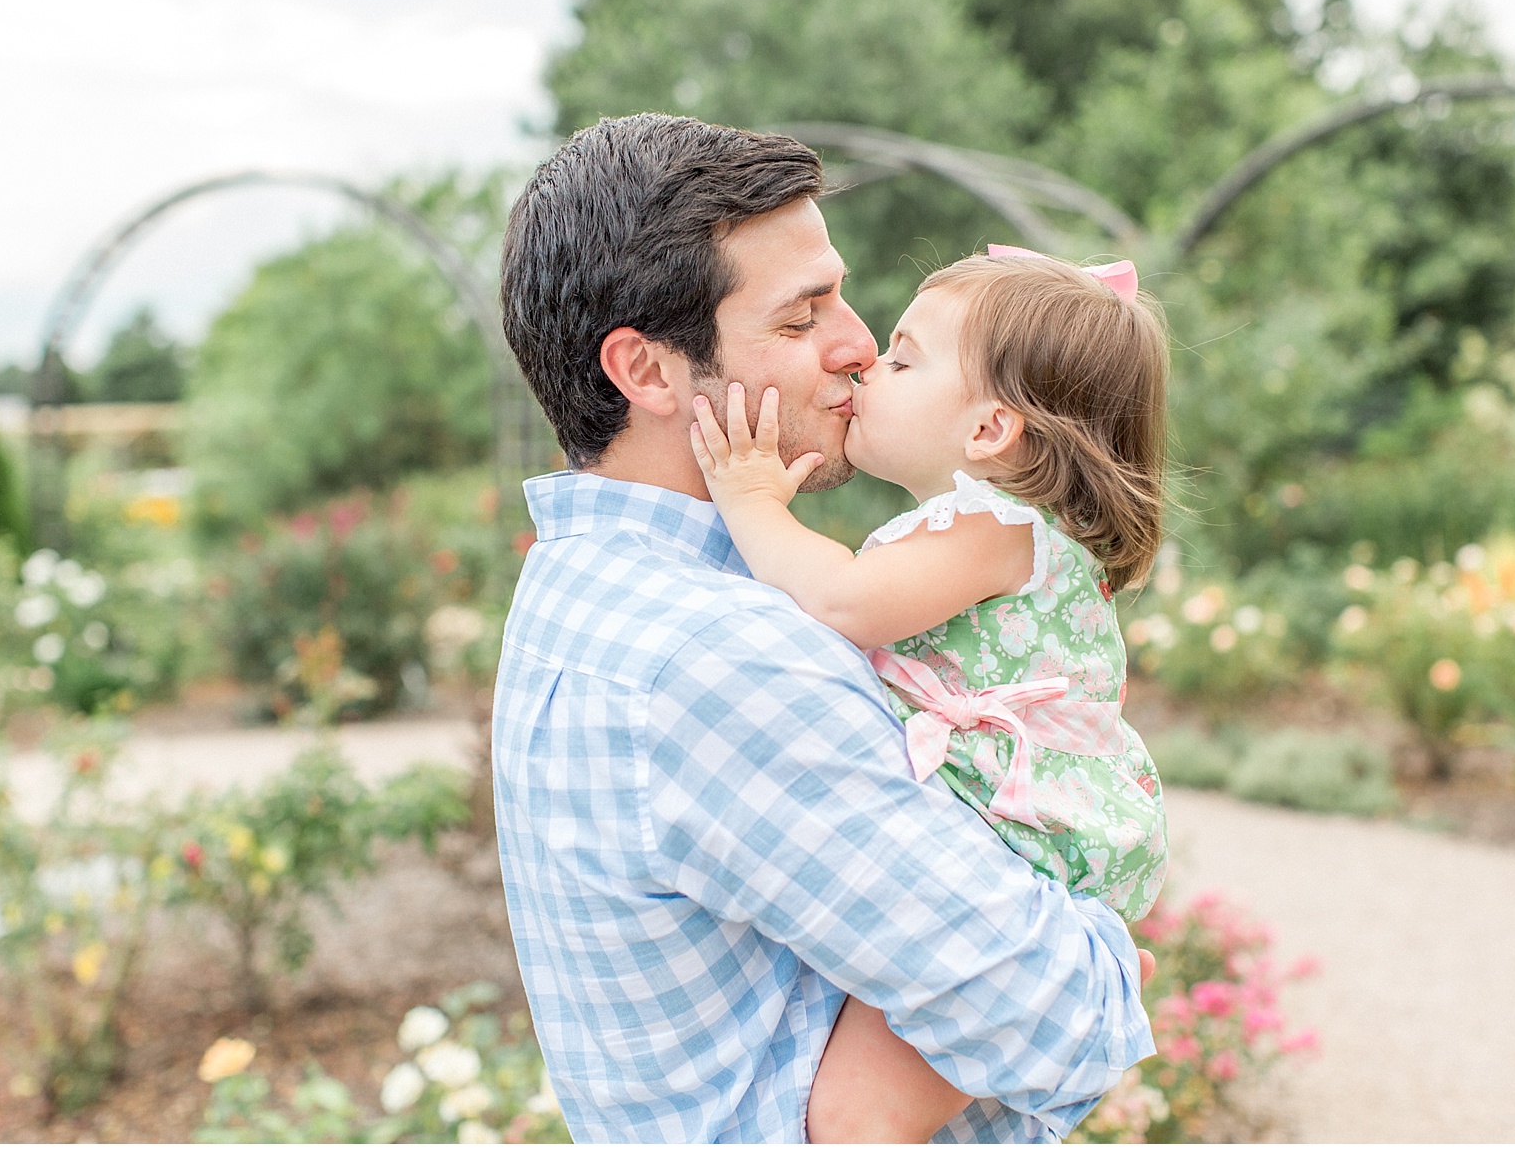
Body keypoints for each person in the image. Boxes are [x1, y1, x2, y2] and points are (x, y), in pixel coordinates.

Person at [493, 112, 1154, 1143]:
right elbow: (1053, 1022)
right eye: (803, 318)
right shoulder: (717, 660)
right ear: (651, 373)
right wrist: (1109, 959)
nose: (855, 344)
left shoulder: (581, 586)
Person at [689, 246, 1170, 1142]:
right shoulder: (983, 532)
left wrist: (750, 501)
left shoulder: (993, 526)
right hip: (998, 842)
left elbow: (841, 603)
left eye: (905, 359)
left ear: (989, 431)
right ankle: (1081, 985)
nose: (870, 363)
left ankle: (1083, 985)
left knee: (853, 1120)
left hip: (1014, 849)